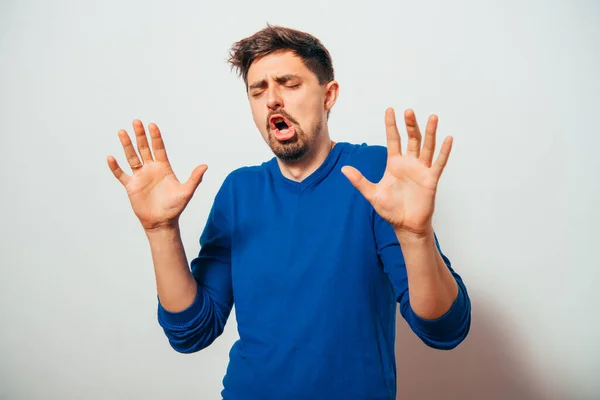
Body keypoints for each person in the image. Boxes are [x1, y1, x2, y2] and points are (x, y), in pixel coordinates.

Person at [107, 24, 471, 400]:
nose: (272, 100)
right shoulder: (239, 191)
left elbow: (444, 329)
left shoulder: (374, 176)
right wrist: (160, 230)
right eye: (258, 90)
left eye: (289, 84)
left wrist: (416, 236)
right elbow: (192, 332)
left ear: (328, 95)